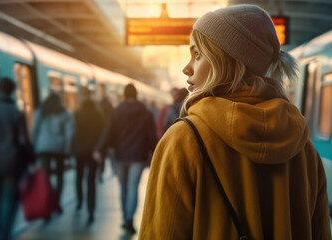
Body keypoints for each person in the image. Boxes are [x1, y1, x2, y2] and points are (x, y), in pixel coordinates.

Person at [140, 5, 331, 240]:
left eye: (197, 54)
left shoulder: (183, 141)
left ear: (225, 62)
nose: (187, 67)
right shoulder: (305, 151)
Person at [94, 83, 157, 234]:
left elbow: (108, 132)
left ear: (124, 95)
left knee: (123, 187)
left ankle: (124, 217)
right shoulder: (146, 113)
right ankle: (129, 219)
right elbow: (151, 137)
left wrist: (98, 149)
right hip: (138, 156)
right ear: (136, 95)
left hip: (120, 156)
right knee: (133, 186)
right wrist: (156, 152)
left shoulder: (117, 112)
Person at [0, 77, 33, 240]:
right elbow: (23, 140)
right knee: (10, 200)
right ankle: (5, 235)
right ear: (12, 91)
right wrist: (32, 159)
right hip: (11, 164)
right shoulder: (15, 112)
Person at [31, 92, 74, 213]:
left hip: (42, 147)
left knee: (45, 177)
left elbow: (34, 131)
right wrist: (67, 151)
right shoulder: (64, 113)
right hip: (59, 148)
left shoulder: (40, 111)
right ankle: (57, 202)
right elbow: (68, 134)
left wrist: (33, 148)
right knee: (60, 176)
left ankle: (47, 204)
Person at [72, 87, 105, 223]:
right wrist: (100, 150)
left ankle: (79, 200)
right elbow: (103, 133)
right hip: (93, 151)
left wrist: (71, 148)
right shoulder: (98, 114)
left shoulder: (77, 114)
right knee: (91, 181)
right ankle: (91, 210)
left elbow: (72, 132)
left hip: (79, 150)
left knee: (79, 176)